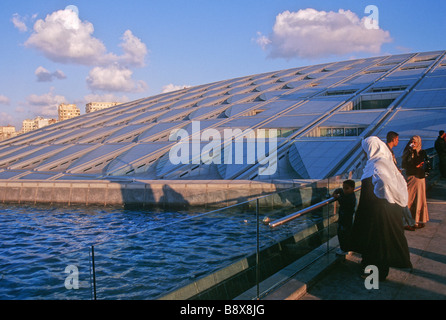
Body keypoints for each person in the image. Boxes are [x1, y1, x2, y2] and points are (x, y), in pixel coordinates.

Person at [351, 136, 412, 281]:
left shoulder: (378, 164)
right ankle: (370, 267)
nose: (364, 152)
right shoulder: (382, 162)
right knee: (374, 241)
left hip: (378, 211)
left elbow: (385, 184)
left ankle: (375, 275)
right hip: (378, 210)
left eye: (365, 149)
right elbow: (400, 183)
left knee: (377, 242)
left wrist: (382, 195)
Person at [386, 131, 416, 231]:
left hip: (394, 179)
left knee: (401, 201)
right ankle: (408, 222)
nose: (398, 141)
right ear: (393, 139)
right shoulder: (387, 151)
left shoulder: (389, 150)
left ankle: (407, 222)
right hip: (392, 181)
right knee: (401, 200)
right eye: (397, 139)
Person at [402, 135, 429, 228]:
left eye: (415, 142)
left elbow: (418, 162)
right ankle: (408, 221)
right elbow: (406, 164)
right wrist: (412, 154)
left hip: (419, 178)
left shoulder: (421, 152)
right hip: (411, 177)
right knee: (409, 198)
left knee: (419, 199)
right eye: (412, 142)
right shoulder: (407, 153)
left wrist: (414, 154)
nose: (413, 144)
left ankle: (417, 220)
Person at [333, 179, 356, 256]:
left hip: (346, 219)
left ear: (353, 189)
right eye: (344, 188)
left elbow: (343, 201)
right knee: (344, 234)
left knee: (343, 234)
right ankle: (346, 248)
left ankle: (344, 249)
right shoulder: (349, 194)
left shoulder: (350, 198)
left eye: (347, 188)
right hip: (345, 219)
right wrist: (336, 192)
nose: (344, 190)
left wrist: (337, 197)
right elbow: (340, 190)